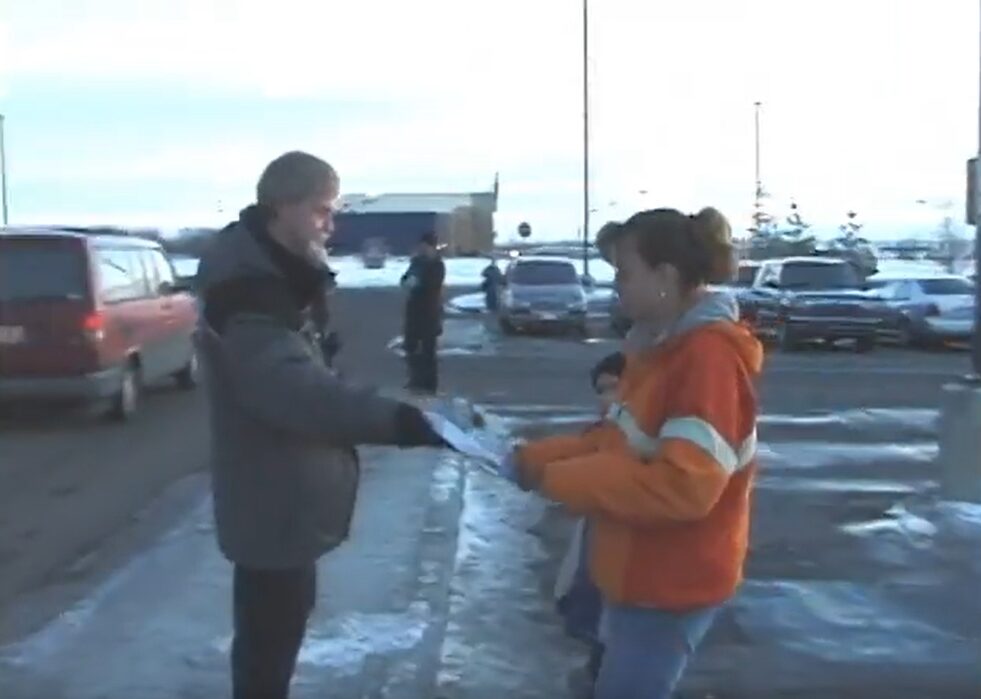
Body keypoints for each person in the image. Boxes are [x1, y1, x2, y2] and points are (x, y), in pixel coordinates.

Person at [195, 151, 449, 699]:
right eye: (321, 211)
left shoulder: (272, 277)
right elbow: (294, 394)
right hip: (271, 503)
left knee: (273, 640)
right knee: (267, 650)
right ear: (281, 207)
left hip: (280, 499)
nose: (331, 225)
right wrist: (400, 420)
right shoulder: (249, 292)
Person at [499, 207, 763, 699]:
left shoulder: (706, 360)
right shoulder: (660, 352)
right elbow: (613, 442)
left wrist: (560, 481)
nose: (615, 284)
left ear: (665, 277)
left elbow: (681, 487)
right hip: (635, 576)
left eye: (624, 272)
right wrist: (537, 459)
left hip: (669, 588)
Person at [542, 352, 625, 694]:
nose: (607, 400)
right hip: (599, 567)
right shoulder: (605, 433)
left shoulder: (641, 440)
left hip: (626, 580)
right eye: (601, 391)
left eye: (615, 388)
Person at [400, 232, 446, 393]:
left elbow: (433, 284)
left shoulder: (437, 264)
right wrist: (408, 281)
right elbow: (404, 279)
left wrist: (418, 283)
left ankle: (429, 383)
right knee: (411, 347)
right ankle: (414, 379)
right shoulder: (416, 262)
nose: (422, 249)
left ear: (431, 247)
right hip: (413, 312)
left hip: (429, 312)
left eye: (425, 246)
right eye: (421, 246)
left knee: (428, 350)